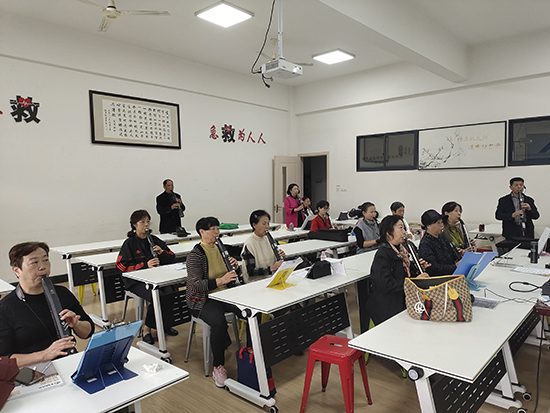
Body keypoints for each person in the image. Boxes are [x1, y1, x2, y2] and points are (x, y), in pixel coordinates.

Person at [0, 242, 94, 367]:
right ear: (17, 270)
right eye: (34, 262)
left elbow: (88, 332)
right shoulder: (5, 308)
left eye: (45, 260)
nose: (43, 267)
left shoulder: (62, 293)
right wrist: (44, 354)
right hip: (32, 369)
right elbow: (4, 360)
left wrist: (77, 324)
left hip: (67, 361)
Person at [186, 217, 243, 388]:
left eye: (218, 229)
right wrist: (220, 281)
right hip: (202, 298)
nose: (217, 233)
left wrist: (235, 268)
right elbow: (195, 286)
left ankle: (252, 353)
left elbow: (231, 275)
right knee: (218, 321)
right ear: (202, 232)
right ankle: (218, 366)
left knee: (248, 310)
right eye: (213, 229)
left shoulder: (221, 248)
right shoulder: (195, 255)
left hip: (224, 294)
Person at [116, 210, 178, 345]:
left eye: (148, 221)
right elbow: (121, 266)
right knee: (156, 296)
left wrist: (162, 253)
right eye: (142, 222)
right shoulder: (130, 243)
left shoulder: (154, 240)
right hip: (136, 281)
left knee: (170, 292)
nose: (146, 225)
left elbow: (172, 256)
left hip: (156, 277)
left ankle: (165, 324)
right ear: (134, 225)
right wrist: (145, 265)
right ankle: (147, 329)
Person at [365, 215, 430, 325]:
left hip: (404, 299)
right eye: (400, 228)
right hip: (388, 305)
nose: (404, 232)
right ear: (388, 233)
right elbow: (386, 283)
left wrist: (418, 268)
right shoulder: (383, 254)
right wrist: (414, 282)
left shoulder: (403, 250)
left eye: (404, 228)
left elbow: (405, 273)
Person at [241, 210, 286, 282]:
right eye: (264, 224)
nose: (267, 226)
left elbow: (273, 261)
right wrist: (271, 268)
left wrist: (280, 257)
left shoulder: (268, 239)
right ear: (254, 225)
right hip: (256, 282)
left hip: (271, 278)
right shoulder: (249, 244)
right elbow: (251, 271)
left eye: (268, 223)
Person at [418, 209, 462, 276]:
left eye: (442, 222)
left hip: (451, 274)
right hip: (439, 278)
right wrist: (454, 267)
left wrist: (459, 253)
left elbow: (451, 257)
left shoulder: (442, 237)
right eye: (438, 223)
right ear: (428, 225)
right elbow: (432, 268)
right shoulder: (425, 244)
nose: (442, 225)